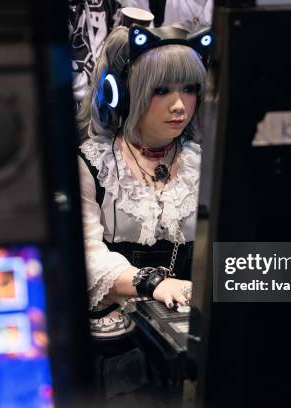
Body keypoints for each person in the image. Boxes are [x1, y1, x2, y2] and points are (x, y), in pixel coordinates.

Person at [76, 22, 211, 400]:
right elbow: (86, 256)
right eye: (161, 90)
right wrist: (152, 283)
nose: (180, 104)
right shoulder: (92, 165)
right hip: (115, 346)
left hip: (187, 340)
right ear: (120, 93)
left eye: (189, 88)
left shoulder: (205, 164)